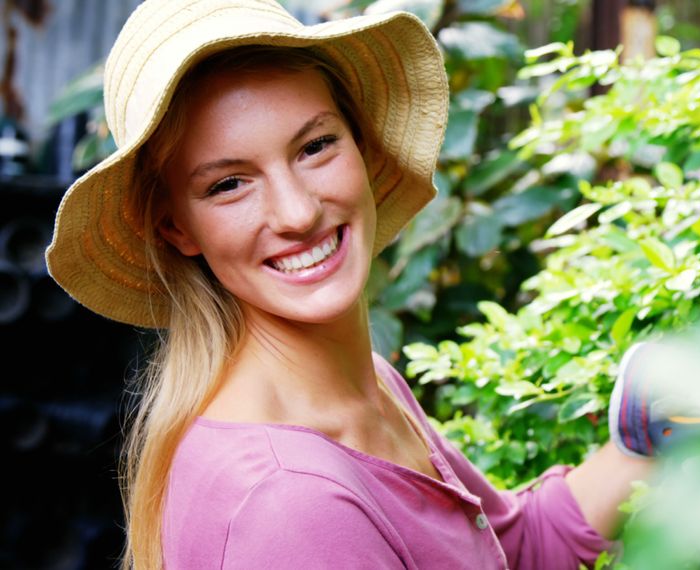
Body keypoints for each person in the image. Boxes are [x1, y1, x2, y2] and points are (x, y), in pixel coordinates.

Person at [45, 1, 651, 568]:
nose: (297, 213)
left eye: (315, 146)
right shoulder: (290, 504)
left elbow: (508, 547)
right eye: (229, 183)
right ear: (177, 226)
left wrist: (642, 442)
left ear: (361, 143)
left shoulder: (362, 388)